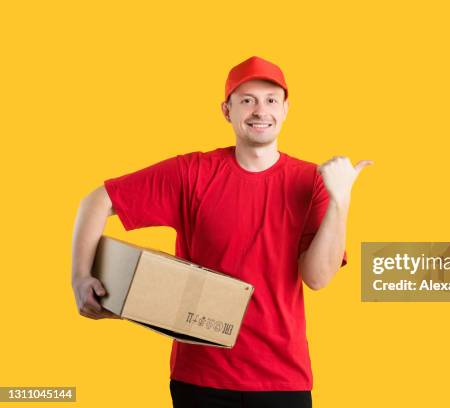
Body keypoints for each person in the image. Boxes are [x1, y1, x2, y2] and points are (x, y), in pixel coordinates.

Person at [71, 56, 372, 408]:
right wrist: (79, 277)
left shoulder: (313, 182)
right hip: (200, 376)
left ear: (286, 109)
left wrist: (340, 201)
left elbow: (317, 278)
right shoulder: (191, 173)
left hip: (282, 378)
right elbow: (96, 201)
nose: (261, 110)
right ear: (226, 110)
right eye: (247, 100)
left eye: (271, 100)